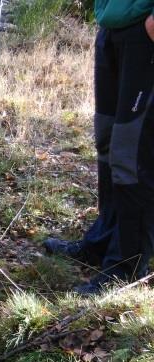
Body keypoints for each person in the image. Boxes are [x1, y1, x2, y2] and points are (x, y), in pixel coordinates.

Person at [44, 3, 154, 295]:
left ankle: (125, 267)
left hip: (145, 33)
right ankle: (104, 240)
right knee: (108, 140)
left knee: (132, 151)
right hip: (113, 26)